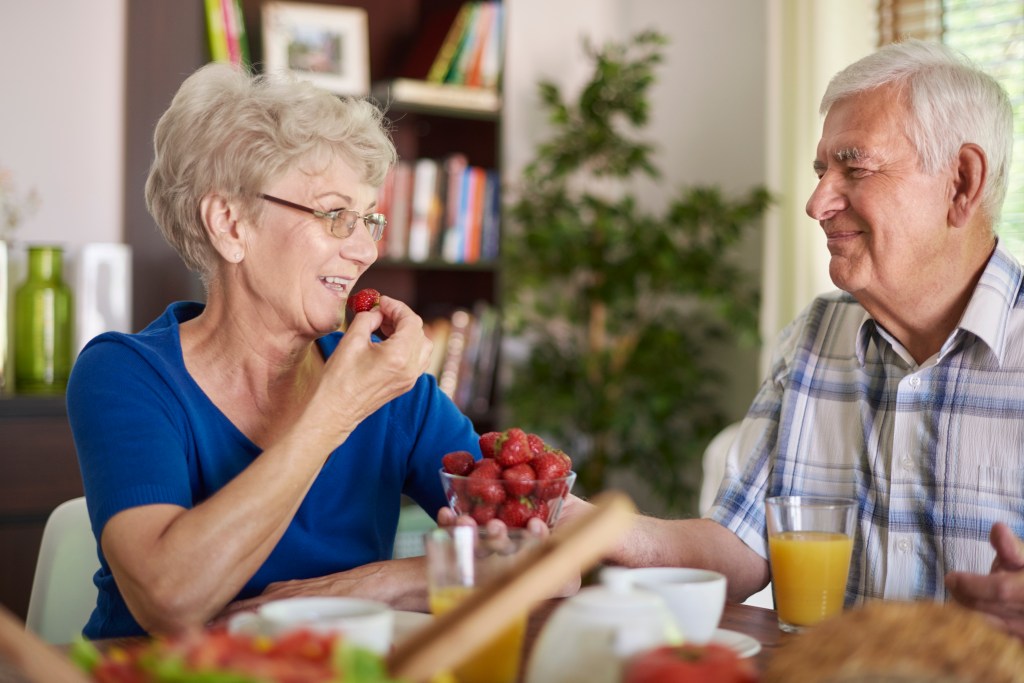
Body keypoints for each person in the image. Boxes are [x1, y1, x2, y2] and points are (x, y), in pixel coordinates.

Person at [547, 38, 1024, 636]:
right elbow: (740, 545)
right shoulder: (818, 335)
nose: (816, 201)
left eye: (855, 167)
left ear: (961, 181)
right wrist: (580, 522)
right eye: (823, 170)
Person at [66, 63, 482, 639]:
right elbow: (171, 599)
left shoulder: (390, 388)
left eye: (370, 219)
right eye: (336, 215)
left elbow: (536, 543)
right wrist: (335, 411)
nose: (364, 249)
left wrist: (372, 584)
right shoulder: (125, 375)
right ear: (231, 225)